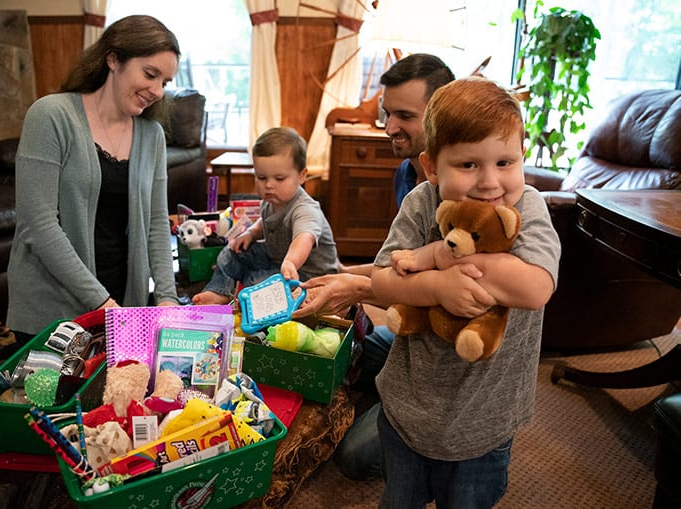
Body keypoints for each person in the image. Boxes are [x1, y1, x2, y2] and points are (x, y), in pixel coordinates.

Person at [371, 77, 561, 508]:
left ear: (522, 157)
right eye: (469, 165)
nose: (491, 183)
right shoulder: (421, 204)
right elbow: (382, 282)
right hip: (407, 407)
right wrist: (437, 285)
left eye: (505, 162)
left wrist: (437, 257)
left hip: (486, 418)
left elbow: (534, 287)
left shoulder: (528, 208)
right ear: (432, 166)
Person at [292, 53, 455, 481]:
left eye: (404, 115)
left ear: (441, 116)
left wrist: (358, 288)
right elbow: (399, 266)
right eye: (387, 113)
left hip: (451, 361)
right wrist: (341, 274)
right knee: (351, 349)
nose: (388, 127)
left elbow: (436, 285)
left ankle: (440, 440)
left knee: (354, 458)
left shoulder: (466, 195)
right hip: (411, 337)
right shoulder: (407, 174)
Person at [6, 15, 182, 345]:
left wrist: (167, 300)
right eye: (149, 74)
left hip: (121, 300)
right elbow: (38, 224)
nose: (157, 91)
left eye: (166, 82)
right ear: (113, 59)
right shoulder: (51, 116)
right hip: (54, 308)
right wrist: (102, 304)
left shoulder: (151, 135)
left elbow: (157, 223)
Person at [192, 127, 338, 305]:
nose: (269, 185)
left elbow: (304, 237)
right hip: (276, 259)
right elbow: (266, 222)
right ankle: (220, 290)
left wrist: (291, 262)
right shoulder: (271, 201)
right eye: (262, 177)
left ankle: (243, 289)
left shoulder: (305, 209)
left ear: (302, 176)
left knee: (257, 283)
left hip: (308, 275)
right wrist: (251, 233)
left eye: (279, 178)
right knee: (232, 251)